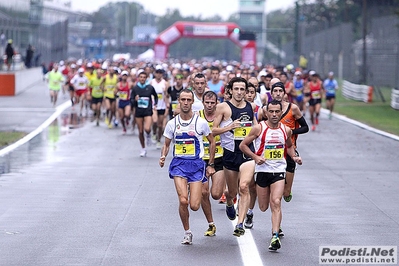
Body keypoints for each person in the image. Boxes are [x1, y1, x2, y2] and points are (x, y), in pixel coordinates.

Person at [239, 99, 302, 251]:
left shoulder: (286, 130)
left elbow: (289, 146)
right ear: (266, 113)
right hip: (262, 172)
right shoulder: (258, 128)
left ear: (281, 113)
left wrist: (294, 157)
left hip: (279, 171)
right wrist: (256, 157)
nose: (274, 114)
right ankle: (260, 218)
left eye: (277, 112)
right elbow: (243, 145)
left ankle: (275, 235)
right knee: (263, 206)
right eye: (271, 112)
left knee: (276, 202)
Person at [159, 88, 216, 245]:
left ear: (192, 102)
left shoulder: (201, 123)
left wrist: (210, 164)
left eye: (188, 100)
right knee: (183, 200)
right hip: (179, 164)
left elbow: (212, 142)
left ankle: (192, 189)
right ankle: (187, 232)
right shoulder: (172, 124)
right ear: (179, 101)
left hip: (197, 165)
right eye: (182, 100)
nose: (185, 103)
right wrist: (163, 156)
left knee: (195, 205)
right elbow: (166, 144)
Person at [212, 77, 257, 237]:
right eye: (236, 89)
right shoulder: (223, 107)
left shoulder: (251, 107)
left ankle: (240, 224)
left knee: (244, 187)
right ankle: (230, 202)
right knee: (232, 192)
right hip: (230, 154)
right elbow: (213, 130)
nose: (239, 92)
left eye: (242, 89)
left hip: (247, 153)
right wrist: (229, 127)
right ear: (230, 90)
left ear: (246, 91)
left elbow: (256, 127)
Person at [199, 91, 226, 237]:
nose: (209, 105)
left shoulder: (221, 117)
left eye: (212, 103)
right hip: (201, 159)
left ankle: (229, 199)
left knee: (216, 194)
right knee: (204, 193)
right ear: (203, 102)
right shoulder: (197, 116)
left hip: (219, 157)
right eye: (207, 102)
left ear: (217, 102)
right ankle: (211, 224)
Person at [131, 70, 158, 157]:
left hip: (147, 111)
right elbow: (131, 101)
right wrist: (135, 100)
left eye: (144, 77)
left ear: (146, 78)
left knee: (147, 128)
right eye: (141, 77)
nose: (142, 79)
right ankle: (143, 148)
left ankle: (149, 135)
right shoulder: (135, 88)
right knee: (140, 131)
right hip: (138, 112)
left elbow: (156, 96)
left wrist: (155, 104)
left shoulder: (150, 87)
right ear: (138, 78)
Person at [151, 67, 169, 149]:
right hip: (154, 106)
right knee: (154, 121)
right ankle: (154, 132)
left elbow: (167, 96)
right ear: (155, 74)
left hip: (162, 106)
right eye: (157, 73)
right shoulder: (152, 82)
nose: (158, 74)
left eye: (160, 73)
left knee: (160, 125)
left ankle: (158, 139)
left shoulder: (165, 83)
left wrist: (167, 104)